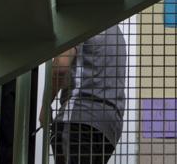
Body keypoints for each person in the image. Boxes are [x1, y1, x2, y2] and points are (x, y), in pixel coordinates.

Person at [45, 25, 127, 164]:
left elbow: (61, 67)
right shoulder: (117, 34)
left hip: (79, 116)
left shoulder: (80, 21)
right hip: (110, 128)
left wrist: (44, 106)